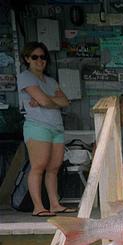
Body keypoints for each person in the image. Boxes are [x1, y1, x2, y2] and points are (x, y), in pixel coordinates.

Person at [17, 41, 75, 217]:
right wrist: (50, 101)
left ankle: (54, 204)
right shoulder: (26, 76)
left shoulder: (50, 80)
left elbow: (65, 102)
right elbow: (46, 101)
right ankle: (38, 207)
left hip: (56, 127)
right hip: (37, 126)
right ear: (27, 58)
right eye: (35, 57)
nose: (40, 60)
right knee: (39, 166)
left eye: (43, 57)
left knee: (54, 167)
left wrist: (47, 100)